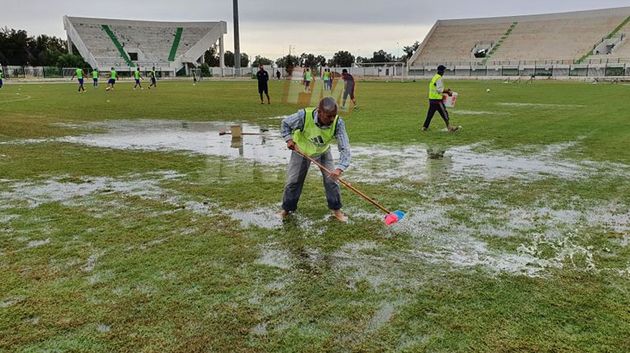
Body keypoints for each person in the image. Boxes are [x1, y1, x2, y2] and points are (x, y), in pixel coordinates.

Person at [279, 97, 351, 222]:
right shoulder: (303, 116)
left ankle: (336, 210)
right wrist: (289, 139)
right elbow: (285, 124)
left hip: (323, 152)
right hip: (301, 151)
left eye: (334, 116)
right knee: (293, 181)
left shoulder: (338, 122)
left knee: (332, 181)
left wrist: (339, 169)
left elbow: (344, 147)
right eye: (329, 116)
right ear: (319, 112)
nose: (332, 119)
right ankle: (286, 209)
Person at [422, 65, 459, 132]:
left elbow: (436, 88)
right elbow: (439, 90)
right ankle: (450, 128)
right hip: (437, 100)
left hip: (432, 99)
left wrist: (446, 91)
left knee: (430, 114)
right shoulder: (439, 78)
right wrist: (447, 91)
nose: (444, 72)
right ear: (441, 71)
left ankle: (424, 127)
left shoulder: (435, 77)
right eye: (444, 70)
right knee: (444, 113)